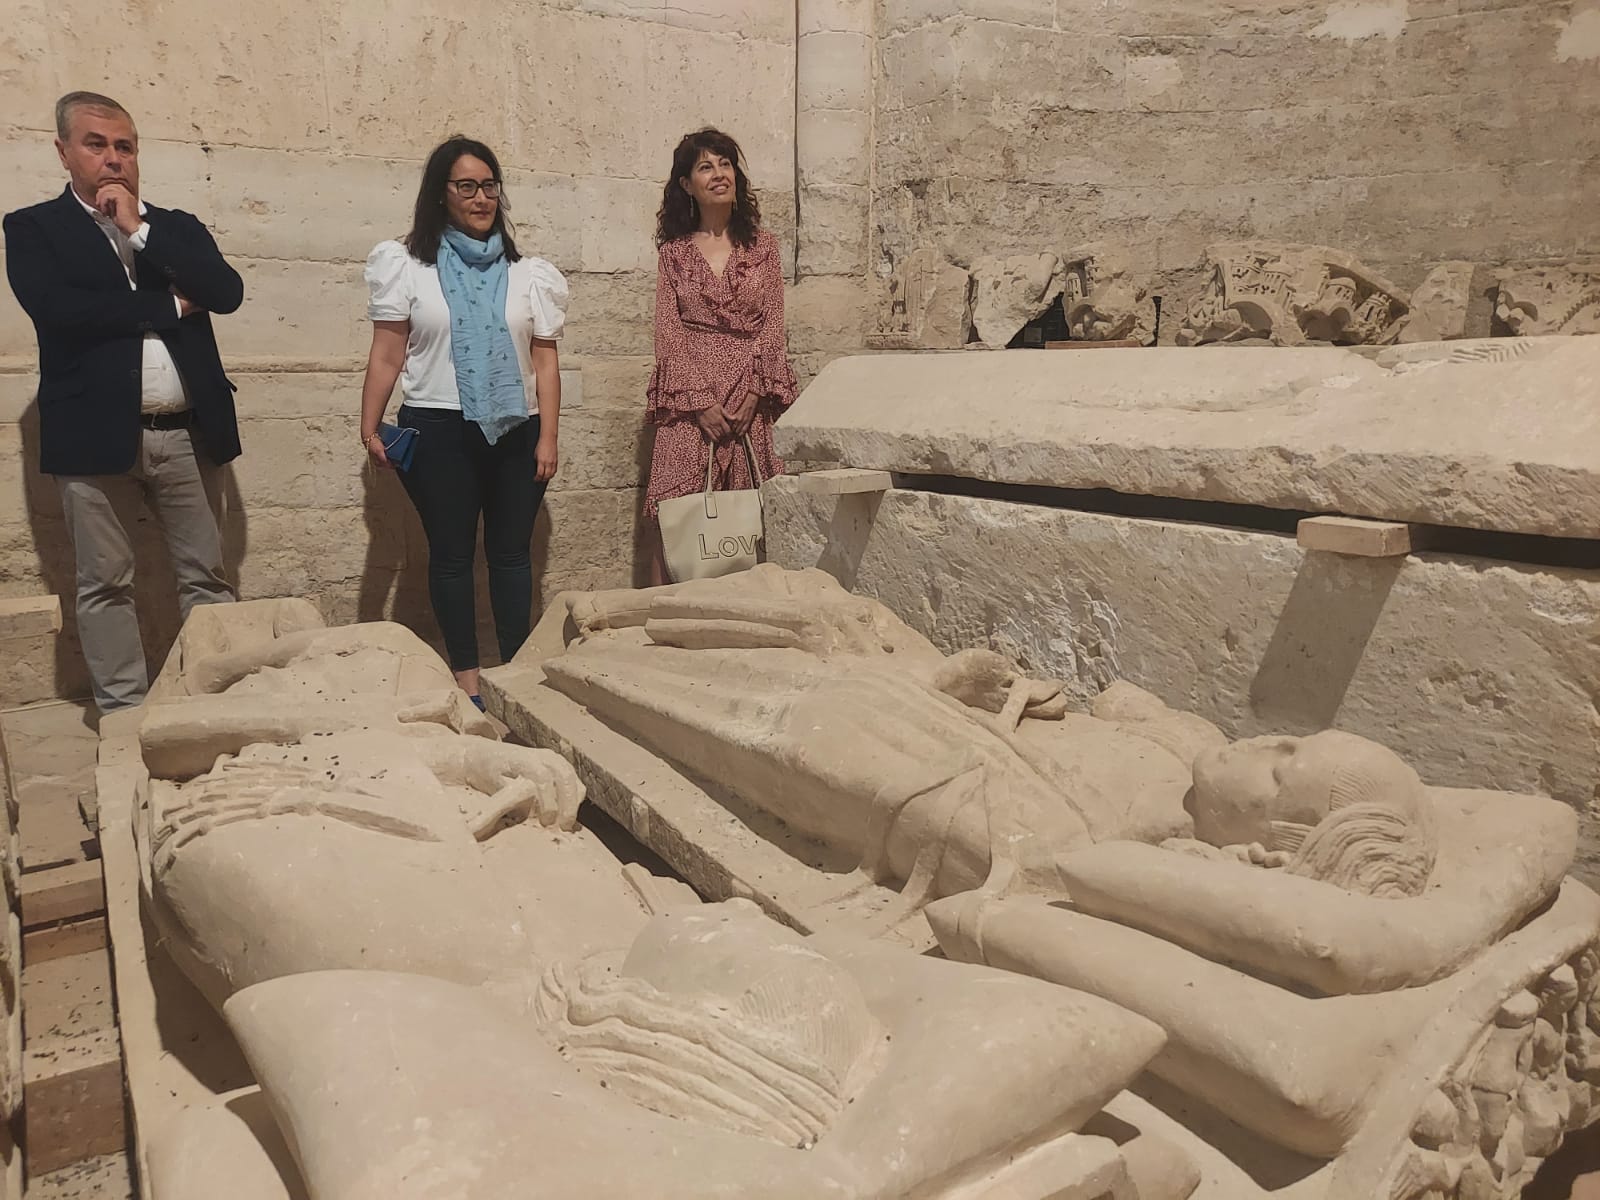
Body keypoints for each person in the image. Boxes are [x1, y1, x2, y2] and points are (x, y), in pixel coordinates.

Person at [4, 91, 242, 714]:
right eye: (96, 144)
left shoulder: (175, 228)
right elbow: (61, 314)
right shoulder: (33, 229)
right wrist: (171, 306)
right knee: (105, 584)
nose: (113, 158)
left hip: (188, 434)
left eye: (125, 146)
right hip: (93, 436)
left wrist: (138, 230)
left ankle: (214, 707)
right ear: (63, 152)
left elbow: (225, 292)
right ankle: (124, 717)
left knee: (207, 578)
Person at [358, 136, 568, 710]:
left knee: (512, 556)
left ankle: (517, 677)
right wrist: (369, 426)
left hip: (517, 429)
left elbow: (546, 362)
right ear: (441, 194)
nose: (480, 198)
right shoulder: (408, 266)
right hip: (437, 428)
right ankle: (468, 682)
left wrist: (549, 436)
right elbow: (387, 354)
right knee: (450, 556)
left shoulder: (528, 274)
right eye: (466, 186)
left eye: (489, 186)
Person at [645, 128, 797, 583]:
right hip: (690, 402)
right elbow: (668, 332)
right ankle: (665, 617)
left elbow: (773, 324)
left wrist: (754, 392)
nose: (719, 174)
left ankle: (749, 616)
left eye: (726, 164)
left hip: (751, 400)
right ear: (686, 185)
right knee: (672, 515)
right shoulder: (674, 254)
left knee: (755, 518)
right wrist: (699, 402)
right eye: (705, 166)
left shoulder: (763, 247)